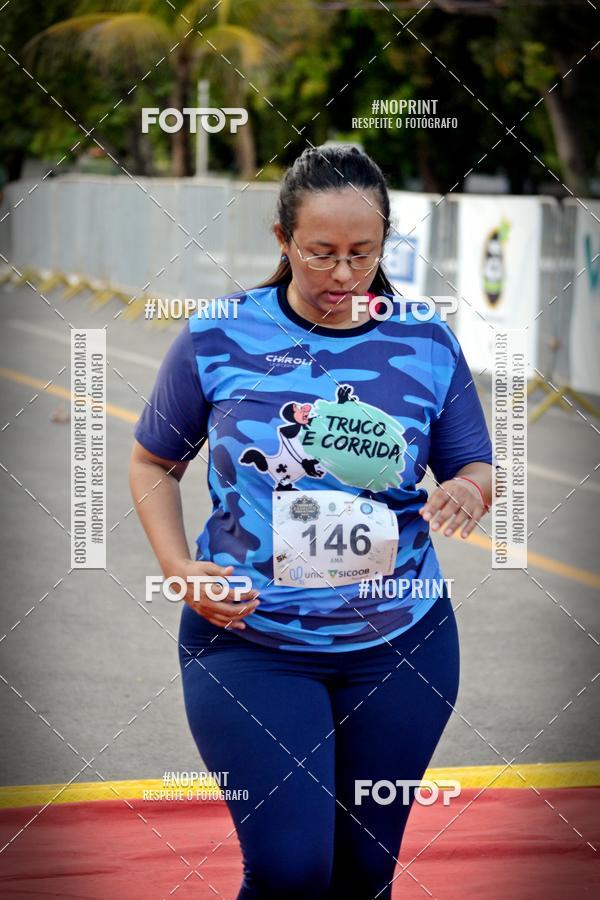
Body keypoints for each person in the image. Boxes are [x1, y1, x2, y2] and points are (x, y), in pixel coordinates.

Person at [129, 145, 494, 899]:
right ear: (282, 240)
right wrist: (177, 569)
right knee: (294, 873)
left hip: (402, 645)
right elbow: (152, 463)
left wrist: (467, 492)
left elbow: (474, 467)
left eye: (363, 253)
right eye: (320, 252)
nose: (342, 274)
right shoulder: (219, 334)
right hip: (250, 644)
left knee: (364, 874)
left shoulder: (425, 342)